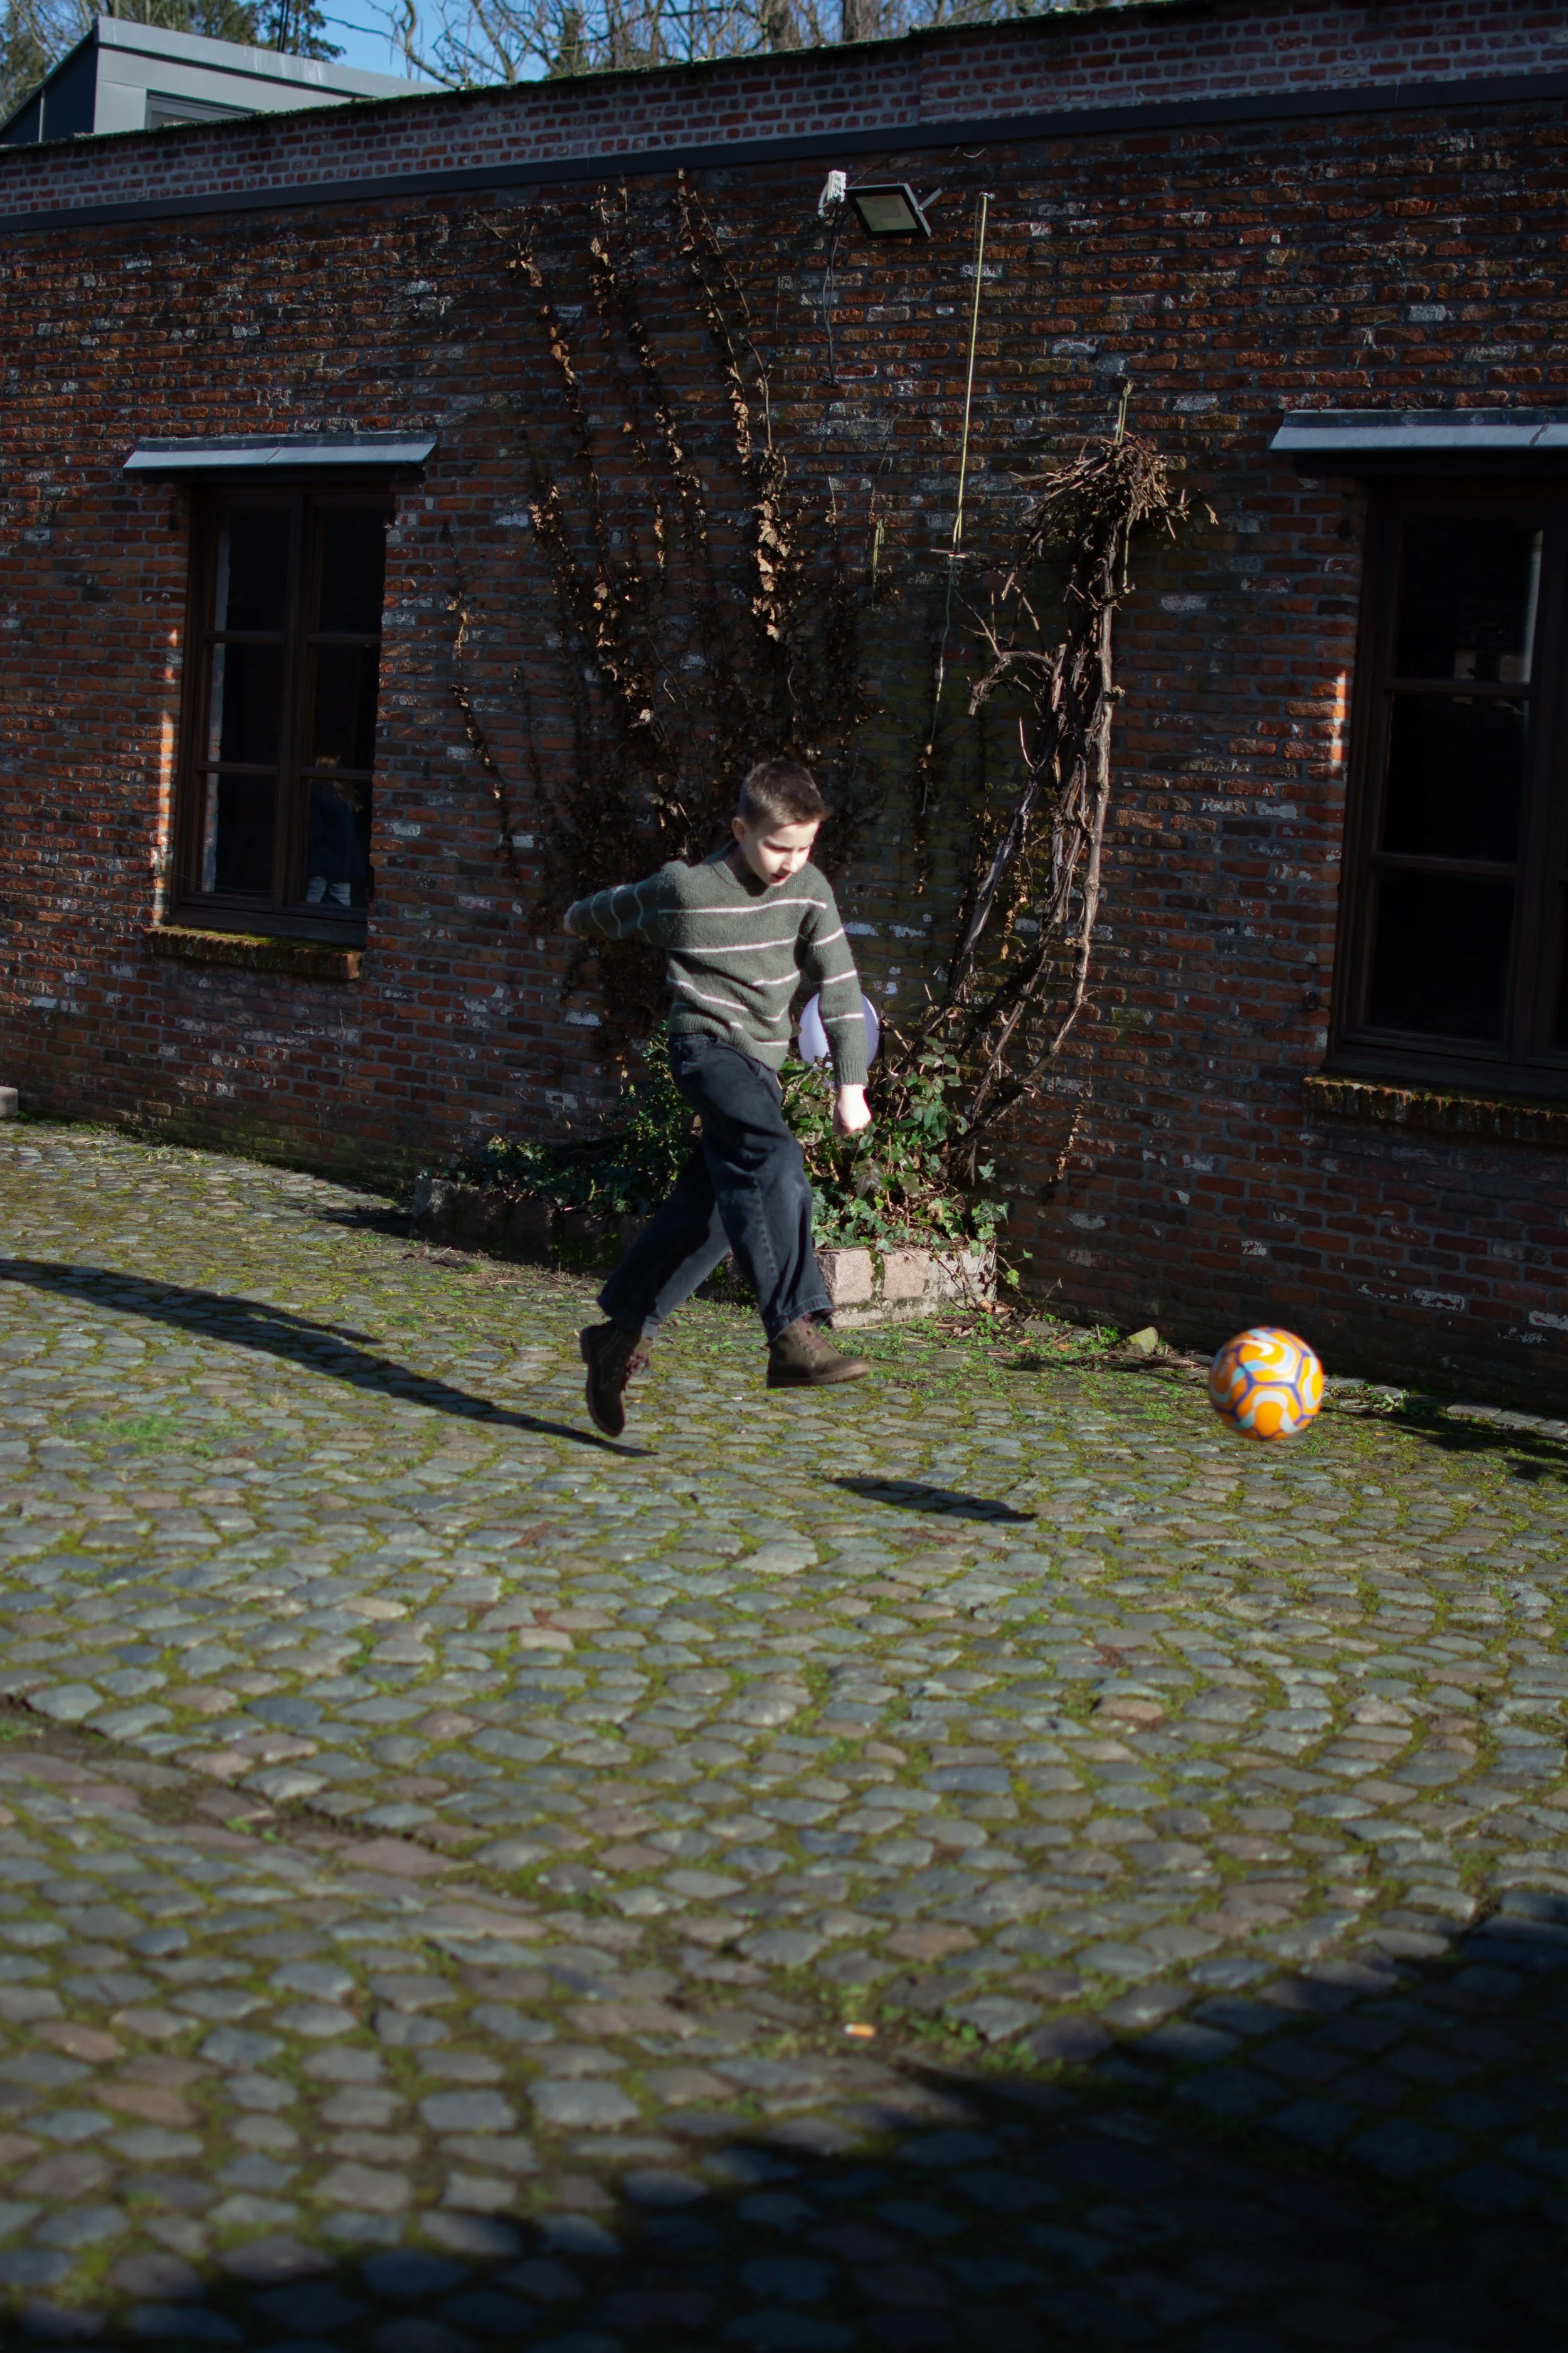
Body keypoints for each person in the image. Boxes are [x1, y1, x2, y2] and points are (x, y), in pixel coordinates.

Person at [563, 758, 874, 1437]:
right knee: (771, 1154)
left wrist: (850, 1086)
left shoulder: (810, 891)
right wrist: (581, 919)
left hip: (759, 1068)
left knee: (711, 1213)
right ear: (740, 829)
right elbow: (604, 911)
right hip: (704, 1049)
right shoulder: (687, 890)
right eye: (778, 846)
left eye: (805, 847)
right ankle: (792, 1330)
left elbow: (841, 987)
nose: (792, 862)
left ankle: (619, 1335)